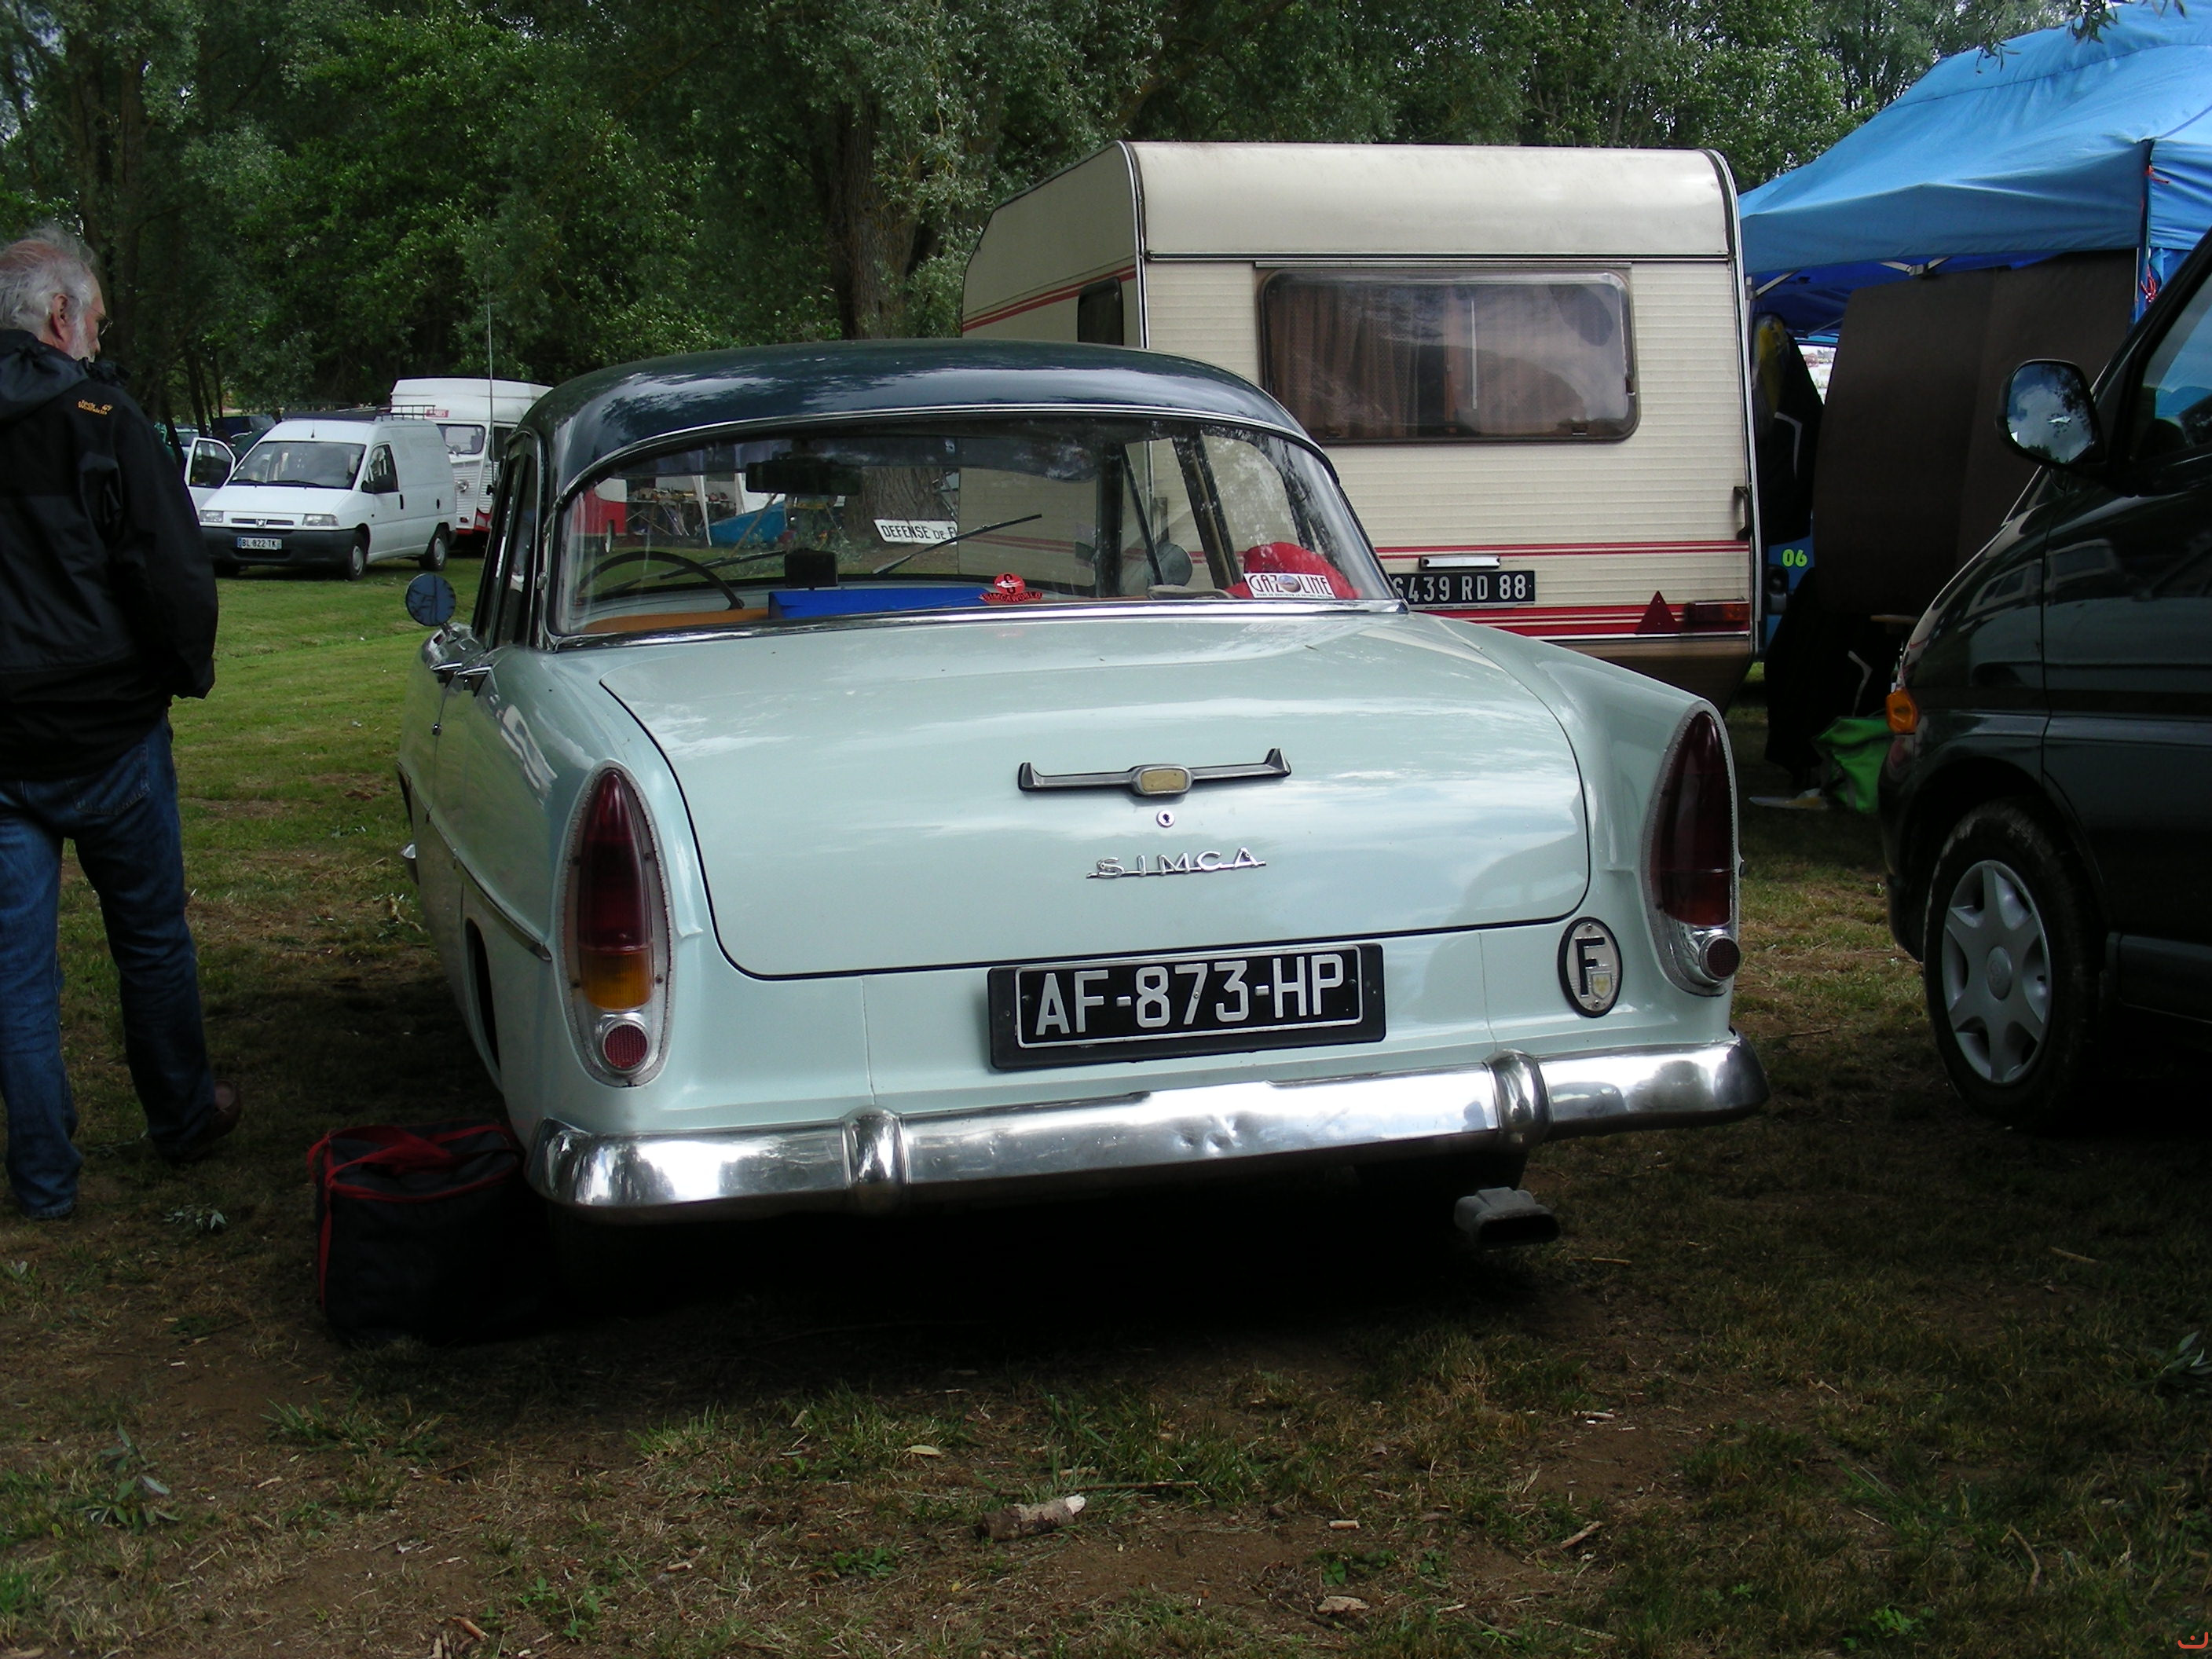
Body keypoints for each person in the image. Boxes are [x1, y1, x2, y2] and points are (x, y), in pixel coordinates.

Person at [0, 225, 235, 1220]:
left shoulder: (100, 415)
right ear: (61, 315)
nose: (99, 335)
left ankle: (45, 1181)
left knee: (17, 977)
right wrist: (183, 673)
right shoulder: (101, 416)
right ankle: (180, 1118)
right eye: (95, 317)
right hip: (106, 729)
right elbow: (169, 568)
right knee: (148, 937)